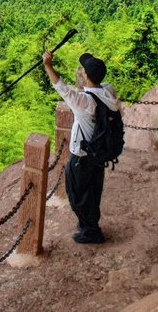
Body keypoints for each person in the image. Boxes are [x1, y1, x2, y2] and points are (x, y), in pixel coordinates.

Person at [42, 50, 121, 244]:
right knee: (93, 189)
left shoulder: (83, 102)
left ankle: (90, 231)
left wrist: (48, 65)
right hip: (100, 153)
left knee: (77, 192)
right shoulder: (108, 92)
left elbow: (61, 88)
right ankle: (90, 224)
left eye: (85, 71)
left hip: (82, 154)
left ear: (86, 76)